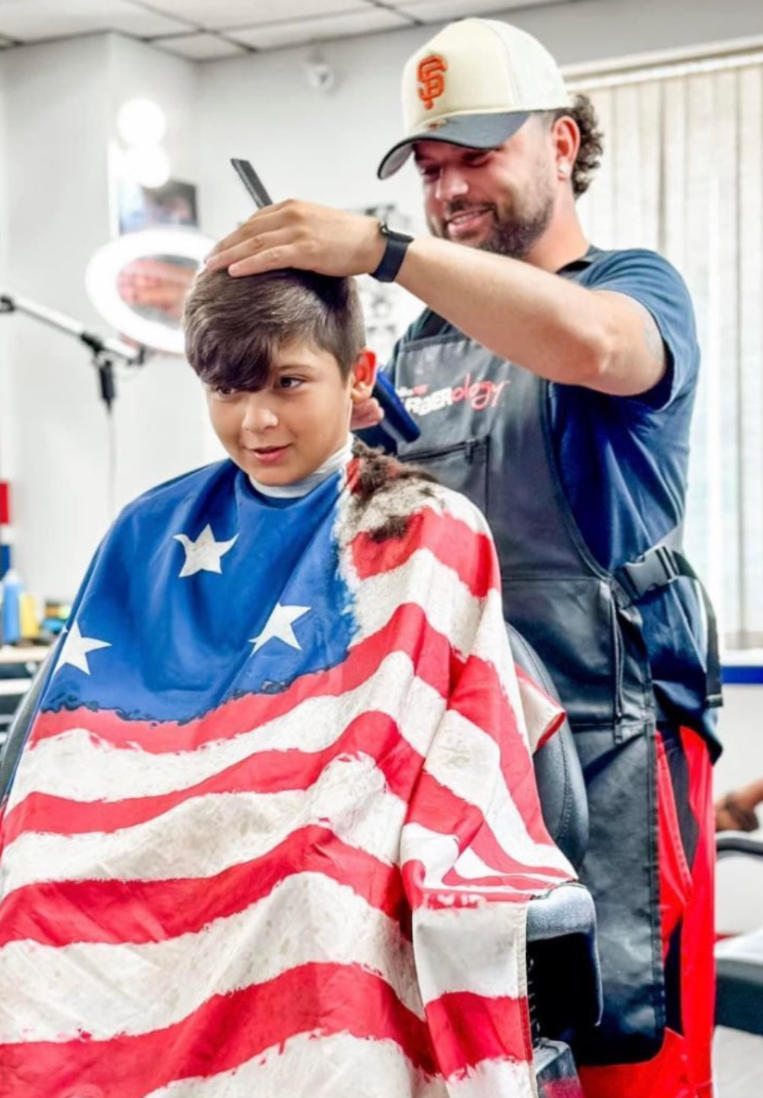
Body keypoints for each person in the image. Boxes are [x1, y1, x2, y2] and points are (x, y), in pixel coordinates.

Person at [206, 17, 722, 1098]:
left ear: (562, 143)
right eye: (430, 168)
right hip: (459, 763)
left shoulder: (634, 287)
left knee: (623, 1052)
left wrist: (381, 251)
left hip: (607, 746)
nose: (450, 190)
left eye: (476, 157)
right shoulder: (426, 344)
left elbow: (591, 345)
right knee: (480, 1057)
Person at [0, 265, 576, 1097]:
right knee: (36, 884)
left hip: (319, 825)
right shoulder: (149, 529)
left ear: (359, 376)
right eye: (228, 391)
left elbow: (407, 748)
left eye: (288, 383)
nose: (256, 420)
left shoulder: (421, 528)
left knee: (316, 891)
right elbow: (82, 745)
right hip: (160, 819)